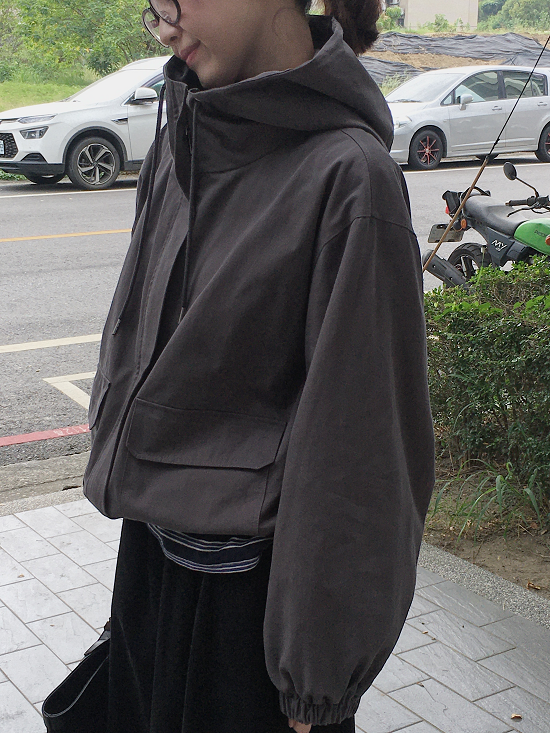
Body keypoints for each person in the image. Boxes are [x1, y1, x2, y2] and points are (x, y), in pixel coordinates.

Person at [83, 0, 435, 731]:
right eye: (151, 6)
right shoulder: (185, 132)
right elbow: (135, 335)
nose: (164, 22)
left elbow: (361, 450)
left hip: (248, 617)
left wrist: (318, 673)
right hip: (149, 565)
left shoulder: (351, 177)